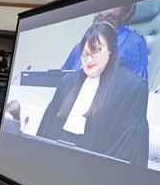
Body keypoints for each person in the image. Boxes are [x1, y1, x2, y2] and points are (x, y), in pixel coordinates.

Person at [36, 22, 149, 166]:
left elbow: (127, 147)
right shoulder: (68, 81)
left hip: (97, 174)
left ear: (111, 50)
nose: (88, 60)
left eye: (95, 51)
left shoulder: (132, 87)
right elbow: (47, 128)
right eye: (84, 54)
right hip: (56, 164)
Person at [62, 6, 148, 81]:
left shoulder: (134, 43)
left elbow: (136, 90)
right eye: (99, 19)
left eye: (110, 18)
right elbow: (61, 81)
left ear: (124, 15)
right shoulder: (80, 47)